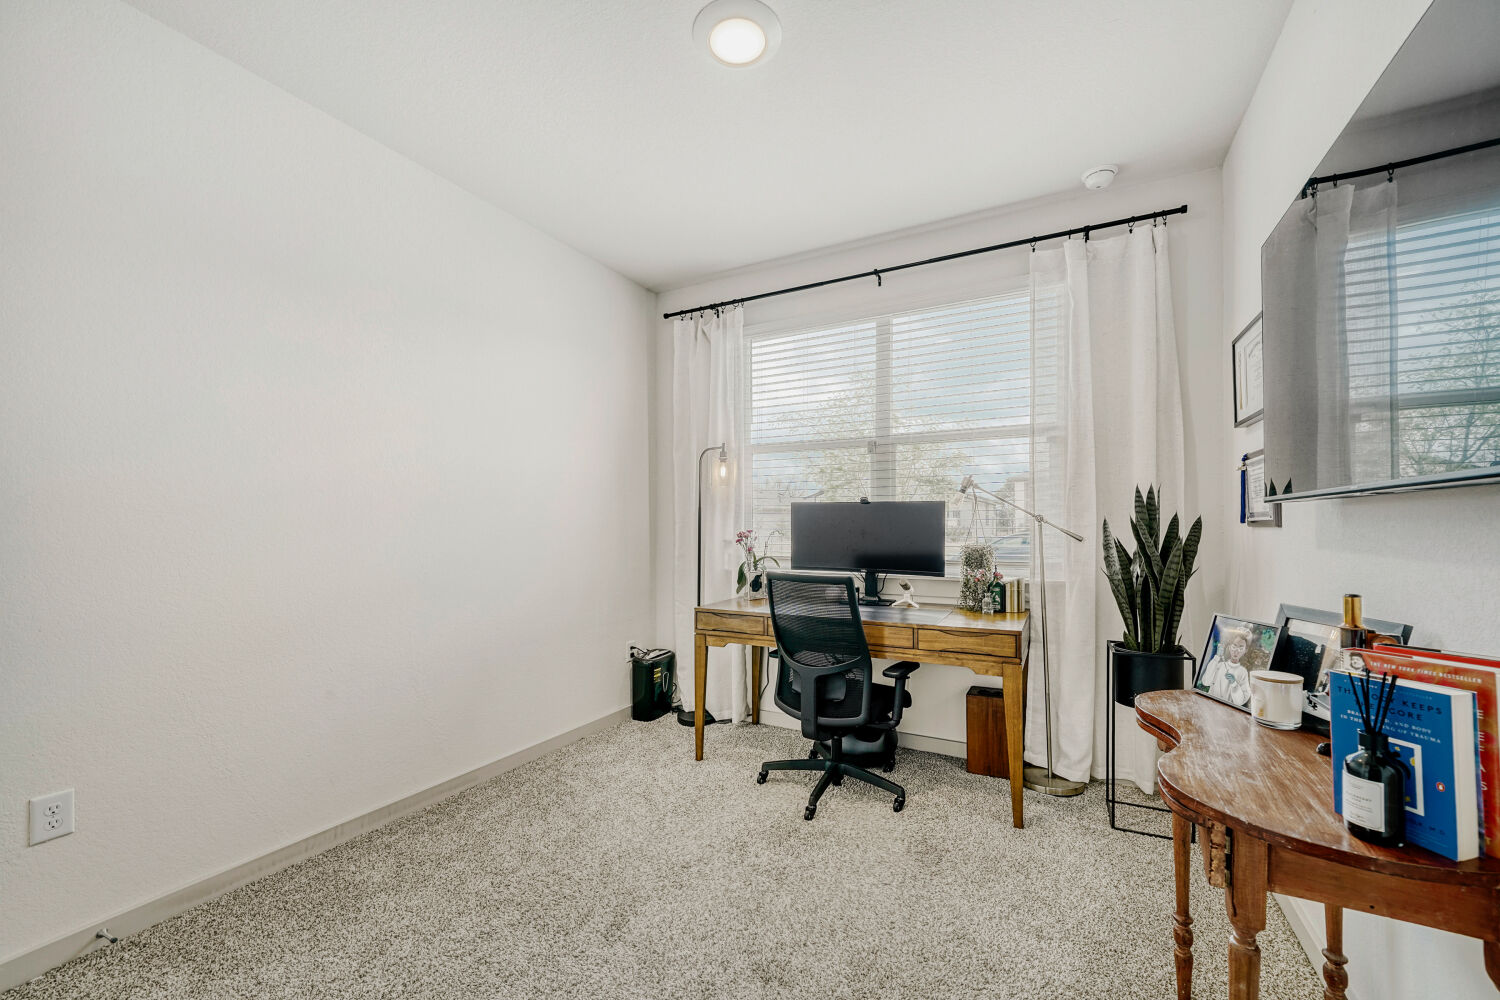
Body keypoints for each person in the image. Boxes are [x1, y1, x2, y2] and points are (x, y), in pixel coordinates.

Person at [1202, 628, 1253, 707]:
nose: (1236, 651)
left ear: (1245, 651)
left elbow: (1240, 701)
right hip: (1210, 705)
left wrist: (1234, 684)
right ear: (1229, 647)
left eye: (1241, 648)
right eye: (1234, 646)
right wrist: (1217, 657)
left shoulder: (1243, 672)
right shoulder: (1219, 665)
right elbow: (1206, 682)